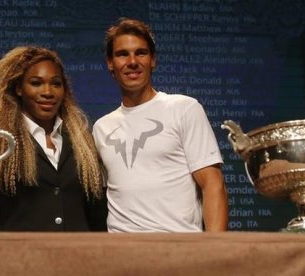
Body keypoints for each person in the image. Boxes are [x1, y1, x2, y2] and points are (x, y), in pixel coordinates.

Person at [92, 18, 228, 232]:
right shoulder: (101, 128)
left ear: (153, 60)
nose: (132, 61)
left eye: (141, 53)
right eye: (122, 54)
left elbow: (212, 184)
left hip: (179, 248)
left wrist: (214, 251)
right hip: (120, 254)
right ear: (110, 63)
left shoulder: (184, 109)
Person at [0, 46, 107, 231]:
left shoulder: (83, 142)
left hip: (79, 257)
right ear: (19, 88)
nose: (48, 92)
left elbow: (97, 217)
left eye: (56, 83)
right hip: (23, 258)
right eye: (36, 83)